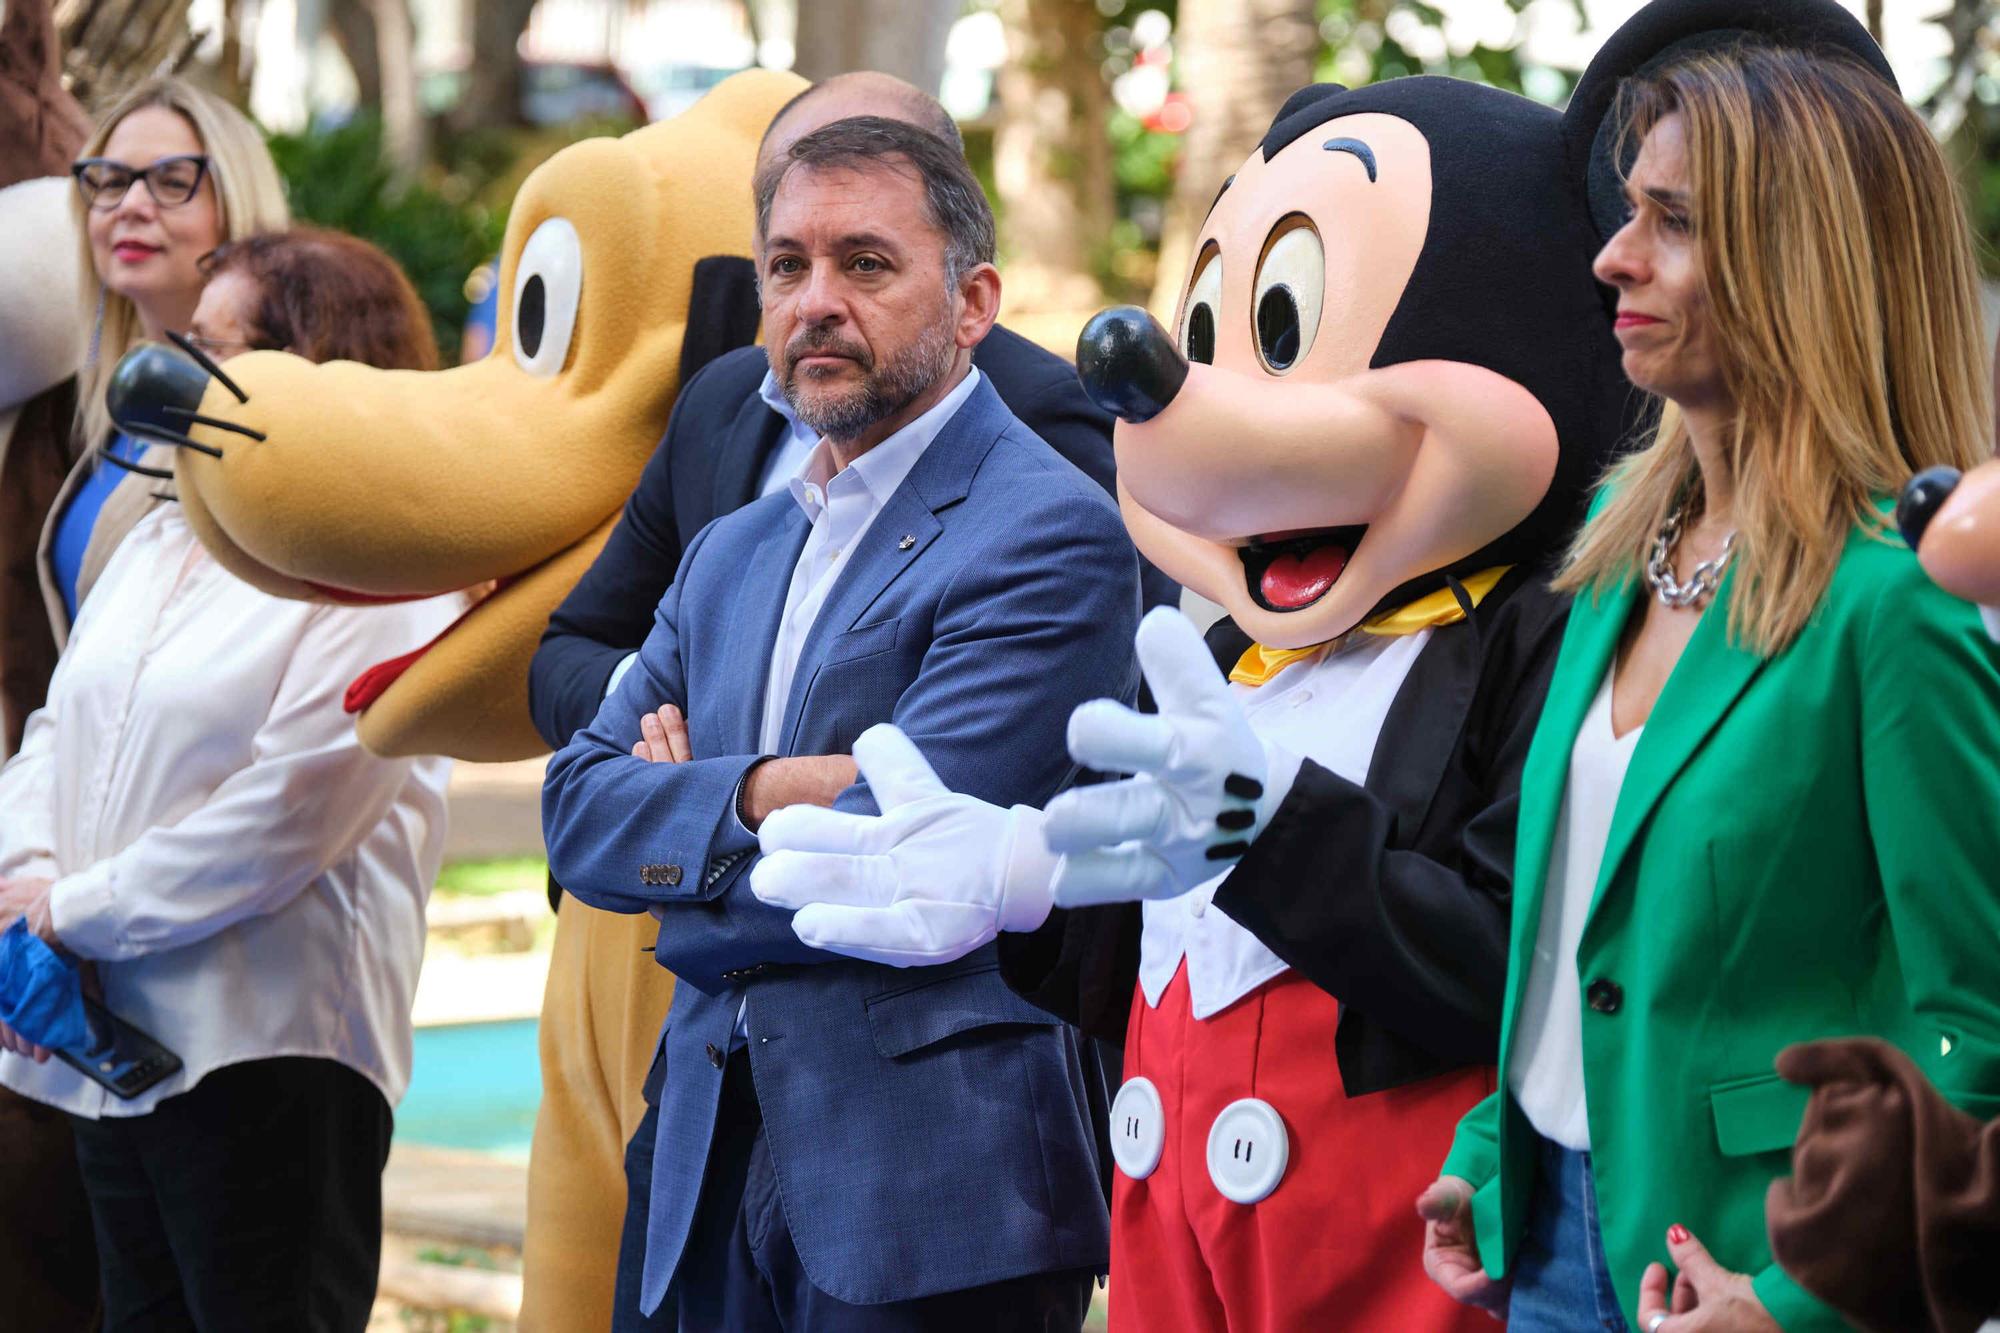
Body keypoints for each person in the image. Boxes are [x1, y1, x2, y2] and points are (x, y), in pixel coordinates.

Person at [1418, 32, 2000, 1333]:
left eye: (1670, 222)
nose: (1611, 257)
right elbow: (1582, 926)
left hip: (1751, 1261)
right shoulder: (1624, 558)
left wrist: (1816, 1294)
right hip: (1553, 1235)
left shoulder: (1899, 599)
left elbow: (1982, 1019)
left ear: (1804, 264)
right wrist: (1490, 1146)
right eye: (1631, 212)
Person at [540, 116, 1138, 1329]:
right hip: (698, 1146)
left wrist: (684, 816)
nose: (813, 301)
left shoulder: (1051, 529)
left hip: (932, 1184)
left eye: (863, 264)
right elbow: (571, 811)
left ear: (971, 301)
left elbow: (900, 865)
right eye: (785, 266)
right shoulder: (729, 550)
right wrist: (760, 791)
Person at [0, 228, 458, 1332]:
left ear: (309, 369)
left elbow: (291, 811)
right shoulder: (165, 532)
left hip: (267, 1050)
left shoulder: (378, 566)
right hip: (109, 1041)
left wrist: (71, 916)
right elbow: (60, 725)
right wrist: (21, 887)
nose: (171, 364)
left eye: (213, 345)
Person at [527, 70, 1169, 754]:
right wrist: (651, 717)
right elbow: (569, 663)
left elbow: (1029, 750)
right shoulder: (721, 404)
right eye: (789, 251)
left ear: (965, 281)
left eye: (863, 257)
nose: (817, 298)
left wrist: (705, 783)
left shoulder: (1045, 432)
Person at [41, 75, 288, 640]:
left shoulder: (263, 417)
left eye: (170, 181)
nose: (130, 205)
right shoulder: (94, 406)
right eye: (111, 181)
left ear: (236, 204)